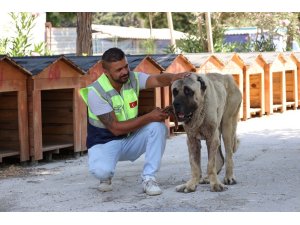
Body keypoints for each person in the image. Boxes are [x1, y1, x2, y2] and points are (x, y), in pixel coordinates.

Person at [80, 47, 190, 196]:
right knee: (102, 171)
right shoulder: (96, 92)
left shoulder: (132, 78)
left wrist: (173, 78)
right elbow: (115, 128)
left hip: (129, 140)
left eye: (126, 66)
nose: (125, 72)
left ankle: (149, 178)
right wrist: (149, 116)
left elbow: (156, 79)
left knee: (158, 127)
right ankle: (105, 177)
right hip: (105, 143)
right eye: (119, 70)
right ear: (106, 72)